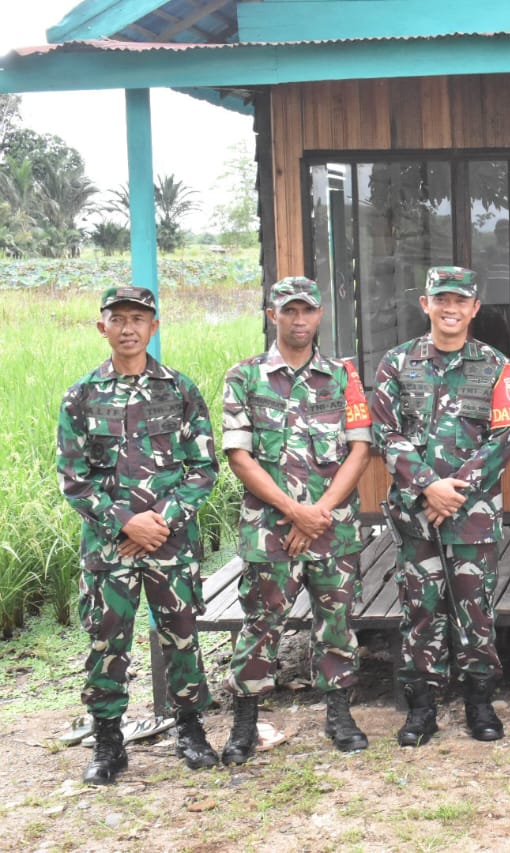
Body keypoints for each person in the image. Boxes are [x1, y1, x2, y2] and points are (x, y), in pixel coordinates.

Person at [56, 286, 220, 785]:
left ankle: (189, 729)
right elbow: (73, 478)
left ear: (154, 327)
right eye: (118, 319)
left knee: (182, 633)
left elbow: (203, 468)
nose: (128, 328)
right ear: (101, 326)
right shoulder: (82, 396)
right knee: (107, 639)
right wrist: (125, 522)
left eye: (139, 319)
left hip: (170, 542)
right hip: (110, 547)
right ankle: (109, 740)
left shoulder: (181, 391)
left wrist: (160, 521)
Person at [219, 277, 373, 764]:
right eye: (289, 311)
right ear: (273, 316)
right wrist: (295, 513)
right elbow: (240, 457)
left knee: (336, 622)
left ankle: (339, 715)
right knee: (261, 623)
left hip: (332, 528)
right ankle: (245, 723)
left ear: (320, 314)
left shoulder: (344, 376)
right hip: (272, 530)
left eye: (307, 310)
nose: (299, 320)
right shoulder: (244, 377)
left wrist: (318, 513)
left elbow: (360, 450)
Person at [371, 265, 510, 745]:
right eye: (442, 299)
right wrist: (426, 486)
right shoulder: (396, 363)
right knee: (420, 609)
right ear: (426, 305)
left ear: (474, 308)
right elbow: (385, 433)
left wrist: (453, 491)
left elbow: (506, 437)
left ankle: (480, 703)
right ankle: (422, 708)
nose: (450, 309)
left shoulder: (499, 367)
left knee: (475, 610)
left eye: (460, 301)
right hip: (416, 517)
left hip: (472, 517)